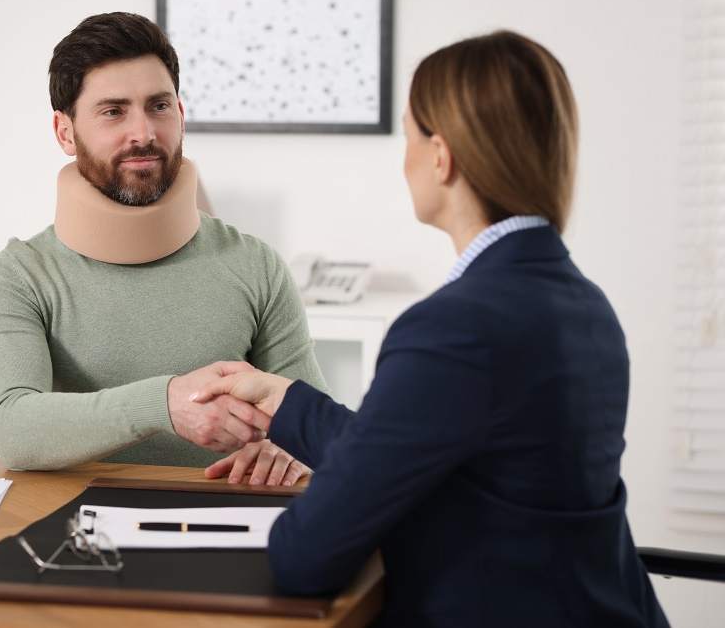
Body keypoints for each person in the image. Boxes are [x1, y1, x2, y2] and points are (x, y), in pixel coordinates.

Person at [192, 31, 668, 626]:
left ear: (440, 157)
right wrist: (288, 402)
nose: (406, 156)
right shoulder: (584, 305)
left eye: (409, 133)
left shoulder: (454, 327)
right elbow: (440, 457)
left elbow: (303, 557)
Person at [0, 12, 327, 485]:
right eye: (113, 111)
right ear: (64, 132)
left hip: (227, 518)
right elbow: (16, 430)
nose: (143, 133)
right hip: (77, 529)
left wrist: (292, 448)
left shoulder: (255, 265)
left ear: (180, 115)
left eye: (158, 106)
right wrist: (164, 404)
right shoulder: (18, 277)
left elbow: (313, 423)